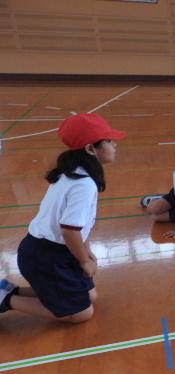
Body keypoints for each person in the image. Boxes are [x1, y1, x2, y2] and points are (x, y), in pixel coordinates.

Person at [0, 114, 125, 323]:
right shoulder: (83, 184)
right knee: (82, 313)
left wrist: (86, 250)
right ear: (90, 149)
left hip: (53, 251)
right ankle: (6, 300)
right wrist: (83, 261)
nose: (114, 145)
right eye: (109, 141)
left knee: (90, 297)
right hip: (46, 257)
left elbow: (81, 225)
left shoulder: (72, 172)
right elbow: (69, 230)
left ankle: (10, 290)